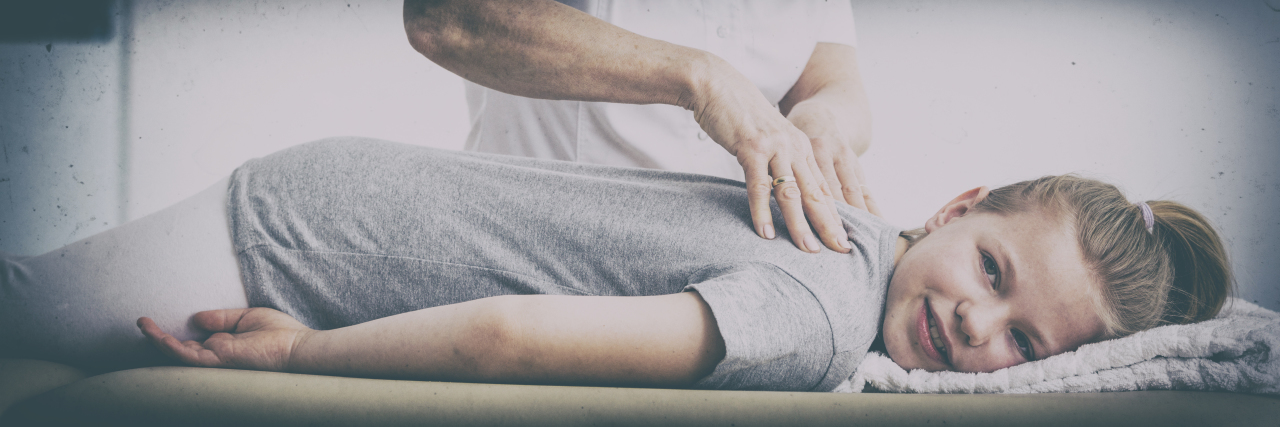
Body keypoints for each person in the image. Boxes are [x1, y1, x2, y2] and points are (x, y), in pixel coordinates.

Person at [0, 138, 1230, 391]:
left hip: (332, 199)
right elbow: (509, 340)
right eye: (992, 271)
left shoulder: (856, 230)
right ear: (959, 203)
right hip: (305, 244)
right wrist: (303, 351)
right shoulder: (816, 311)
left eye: (1022, 342)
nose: (972, 324)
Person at [403, 0, 877, 256]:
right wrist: (700, 80)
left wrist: (821, 118)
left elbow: (834, 81)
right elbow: (446, 18)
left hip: (722, 268)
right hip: (534, 252)